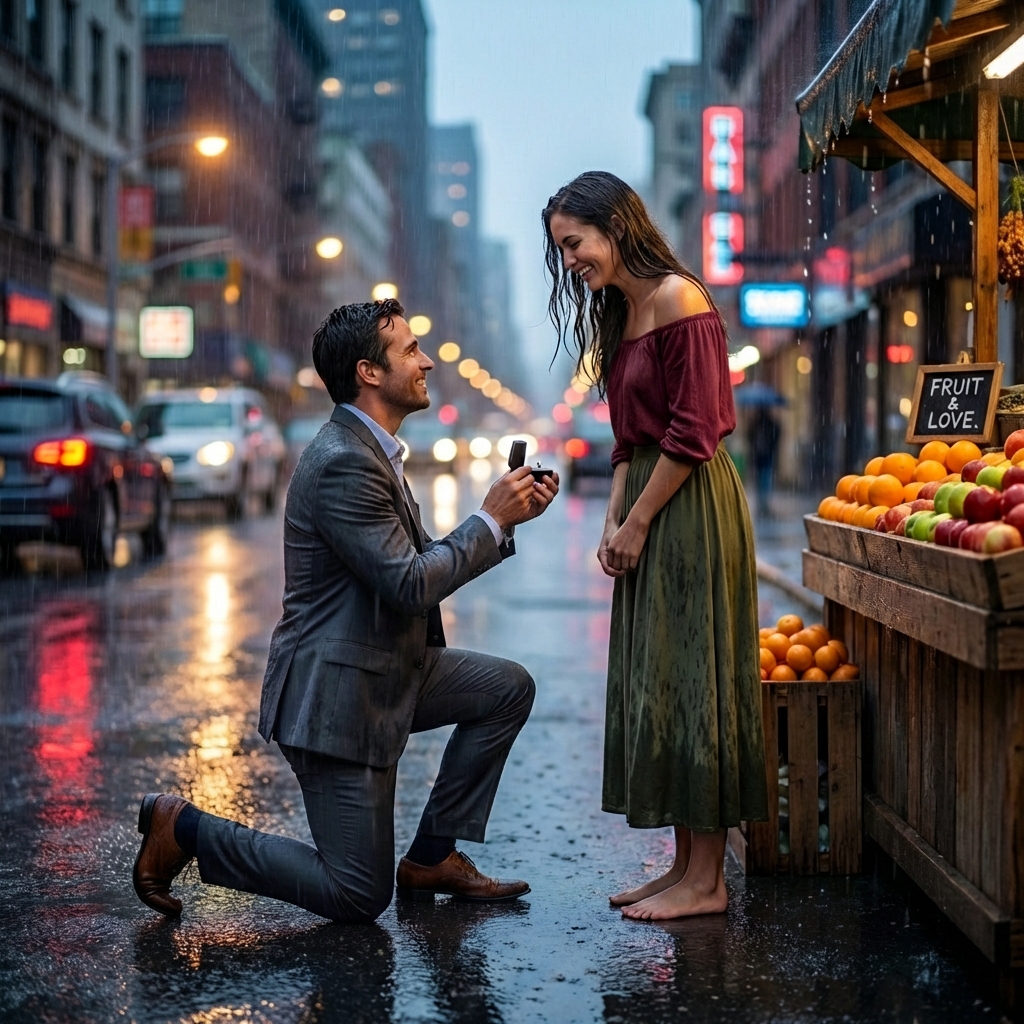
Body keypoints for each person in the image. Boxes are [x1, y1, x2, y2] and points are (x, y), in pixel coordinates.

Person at [132, 299, 559, 922]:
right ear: (369, 372)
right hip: (338, 697)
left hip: (388, 667)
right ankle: (186, 829)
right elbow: (410, 584)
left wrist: (503, 520)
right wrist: (490, 518)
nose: (427, 361)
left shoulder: (373, 450)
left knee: (505, 689)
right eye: (410, 351)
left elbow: (412, 564)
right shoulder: (342, 463)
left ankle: (433, 855)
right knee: (357, 894)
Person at [543, 172, 767, 921]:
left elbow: (695, 429)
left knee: (696, 677)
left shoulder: (677, 299)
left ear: (614, 225)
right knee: (664, 682)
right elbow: (629, 437)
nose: (571, 261)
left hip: (689, 505)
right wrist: (613, 516)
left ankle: (708, 881)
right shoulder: (625, 310)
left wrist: (637, 520)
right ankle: (682, 869)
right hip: (649, 496)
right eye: (562, 251)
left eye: (575, 244)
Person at [747, 407, 781, 519]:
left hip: (762, 456)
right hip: (764, 456)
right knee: (765, 478)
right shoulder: (767, 424)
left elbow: (749, 437)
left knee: (763, 478)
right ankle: (764, 502)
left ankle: (763, 503)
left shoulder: (758, 424)